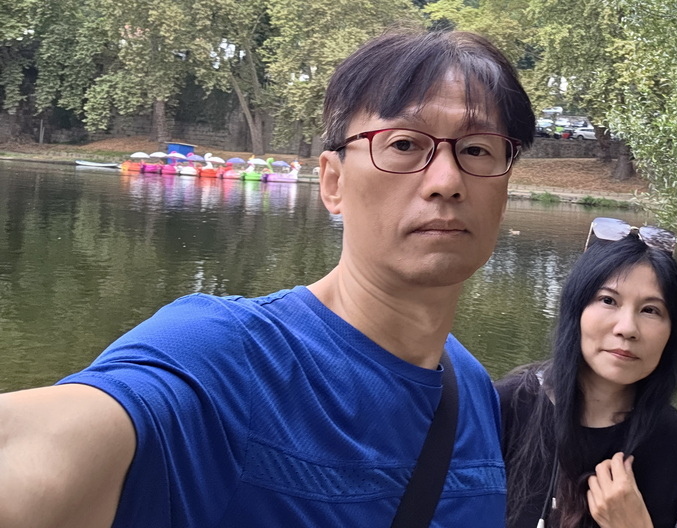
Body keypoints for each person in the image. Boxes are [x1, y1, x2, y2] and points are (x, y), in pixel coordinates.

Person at [0, 29, 535, 528]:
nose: (446, 180)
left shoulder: (473, 390)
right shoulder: (222, 358)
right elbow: (52, 446)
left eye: (477, 150)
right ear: (333, 183)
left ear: (504, 191)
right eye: (404, 144)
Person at [496, 217, 677, 528]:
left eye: (650, 310)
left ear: (672, 332)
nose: (627, 328)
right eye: (608, 300)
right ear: (576, 309)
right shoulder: (501, 410)